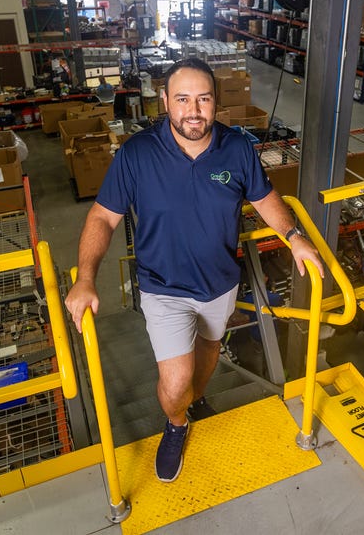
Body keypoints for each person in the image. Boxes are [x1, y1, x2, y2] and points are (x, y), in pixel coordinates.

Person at [64, 58, 324, 483]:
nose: (193, 110)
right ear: (164, 101)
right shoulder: (137, 155)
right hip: (163, 288)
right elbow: (102, 218)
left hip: (220, 284)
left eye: (203, 99)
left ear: (216, 103)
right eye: (182, 99)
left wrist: (294, 235)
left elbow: (264, 197)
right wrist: (86, 277)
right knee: (177, 378)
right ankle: (176, 422)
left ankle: (191, 401)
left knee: (207, 355)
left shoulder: (237, 148)